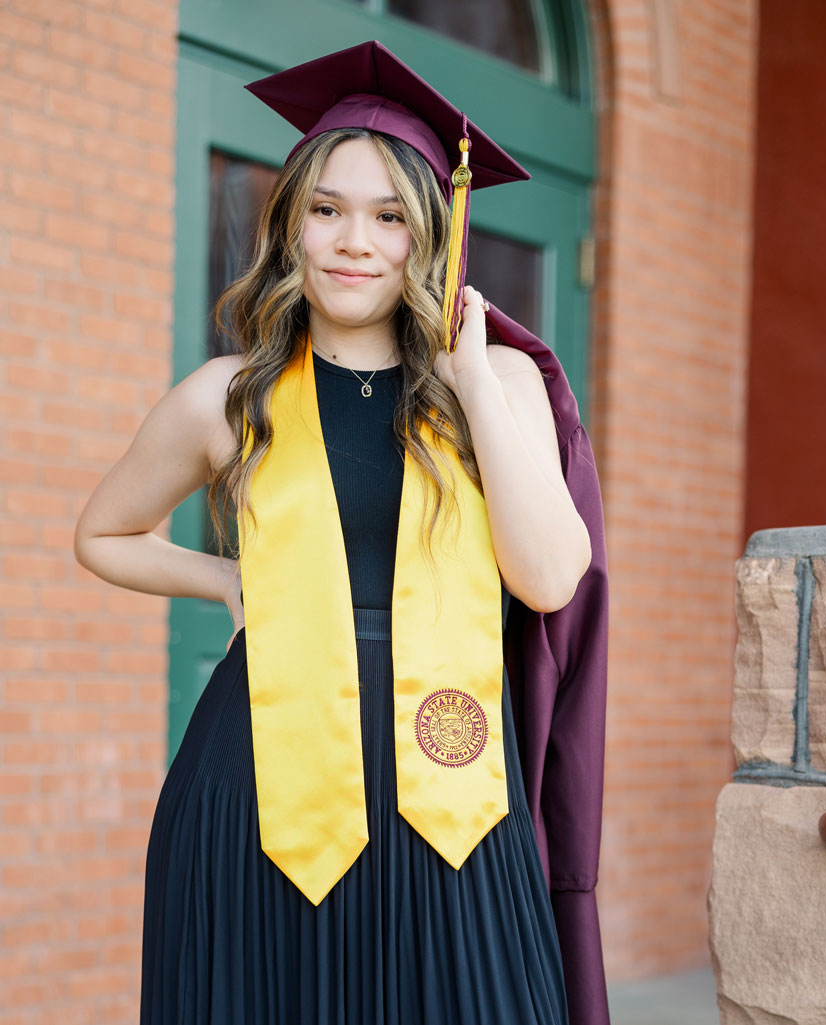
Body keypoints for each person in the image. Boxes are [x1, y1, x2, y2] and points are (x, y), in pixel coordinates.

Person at [74, 40, 610, 1025]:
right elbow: (104, 532)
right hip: (261, 784)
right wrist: (227, 583)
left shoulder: (505, 387)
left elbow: (546, 576)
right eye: (325, 209)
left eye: (388, 215)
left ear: (428, 236)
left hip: (451, 788)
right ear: (291, 227)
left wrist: (474, 384)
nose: (352, 241)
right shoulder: (227, 399)